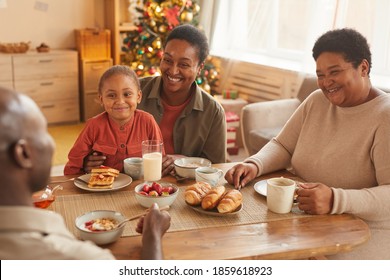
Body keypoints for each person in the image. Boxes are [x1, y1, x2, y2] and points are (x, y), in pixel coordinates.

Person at [225, 28, 390, 260]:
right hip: (303, 220)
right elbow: (283, 145)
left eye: (334, 72)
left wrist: (335, 199)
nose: (326, 82)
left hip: (362, 234)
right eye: (320, 74)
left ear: (363, 67)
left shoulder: (385, 115)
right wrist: (255, 164)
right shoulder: (316, 101)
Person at [0, 86, 171, 260]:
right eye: (43, 132)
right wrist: (153, 236)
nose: (52, 142)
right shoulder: (76, 257)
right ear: (24, 154)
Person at [136, 24, 227, 176]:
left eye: (184, 64)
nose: (173, 70)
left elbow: (217, 167)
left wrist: (185, 161)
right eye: (168, 60)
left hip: (186, 188)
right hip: (135, 182)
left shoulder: (213, 112)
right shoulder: (133, 91)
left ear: (199, 67)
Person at [64, 65, 164, 175]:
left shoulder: (148, 122)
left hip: (140, 188)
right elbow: (72, 166)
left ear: (138, 96)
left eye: (127, 94)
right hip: (102, 189)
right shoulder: (93, 126)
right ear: (101, 99)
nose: (120, 101)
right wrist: (84, 167)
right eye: (111, 95)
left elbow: (159, 162)